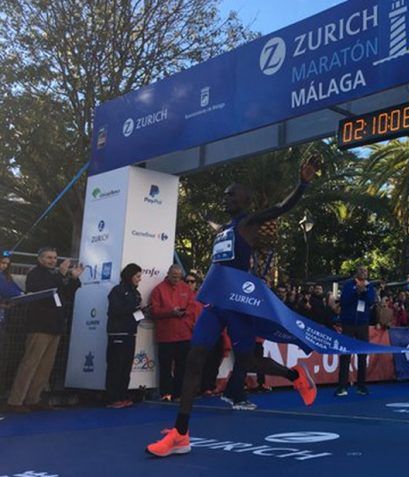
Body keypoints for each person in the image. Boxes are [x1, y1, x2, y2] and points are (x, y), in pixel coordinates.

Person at [146, 155, 320, 457]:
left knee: (248, 361)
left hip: (239, 303)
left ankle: (296, 376)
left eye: (231, 194)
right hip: (215, 303)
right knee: (194, 359)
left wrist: (302, 183)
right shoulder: (223, 229)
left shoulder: (249, 224)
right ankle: (180, 433)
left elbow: (282, 208)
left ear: (245, 199)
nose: (225, 197)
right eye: (224, 193)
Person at [7, 247, 82, 412]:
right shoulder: (36, 273)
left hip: (55, 325)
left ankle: (34, 398)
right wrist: (62, 275)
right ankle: (16, 400)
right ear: (40, 258)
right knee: (30, 363)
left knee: (45, 366)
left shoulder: (54, 275)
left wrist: (74, 278)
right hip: (39, 325)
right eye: (49, 257)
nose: (53, 260)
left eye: (55, 257)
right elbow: (45, 292)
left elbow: (66, 294)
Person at [149, 264, 195, 401]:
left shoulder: (186, 288)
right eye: (174, 276)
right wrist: (170, 312)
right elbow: (154, 311)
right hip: (166, 336)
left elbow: (193, 307)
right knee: (165, 367)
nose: (176, 279)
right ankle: (166, 393)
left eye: (178, 277)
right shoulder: (158, 290)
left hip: (183, 334)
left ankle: (179, 393)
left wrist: (184, 313)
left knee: (182, 366)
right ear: (168, 274)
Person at [105, 264, 143, 408]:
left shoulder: (136, 292)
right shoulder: (118, 290)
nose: (139, 280)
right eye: (137, 276)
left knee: (126, 366)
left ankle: (122, 395)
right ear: (130, 275)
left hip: (130, 333)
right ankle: (112, 398)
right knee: (116, 365)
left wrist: (142, 312)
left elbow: (135, 313)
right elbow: (114, 310)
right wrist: (133, 308)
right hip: (118, 333)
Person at [335, 266, 376, 397]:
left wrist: (363, 292)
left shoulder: (370, 286)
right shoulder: (348, 285)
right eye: (361, 271)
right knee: (345, 355)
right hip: (348, 323)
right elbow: (344, 301)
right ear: (357, 273)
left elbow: (370, 301)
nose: (363, 273)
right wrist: (355, 292)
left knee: (362, 355)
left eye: (366, 271)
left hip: (362, 324)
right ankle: (342, 386)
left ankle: (361, 386)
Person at [0, 251, 23, 328]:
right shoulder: (2, 277)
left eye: (7, 264)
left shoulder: (4, 276)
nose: (5, 266)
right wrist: (22, 295)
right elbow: (7, 289)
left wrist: (22, 293)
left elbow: (13, 287)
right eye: (3, 263)